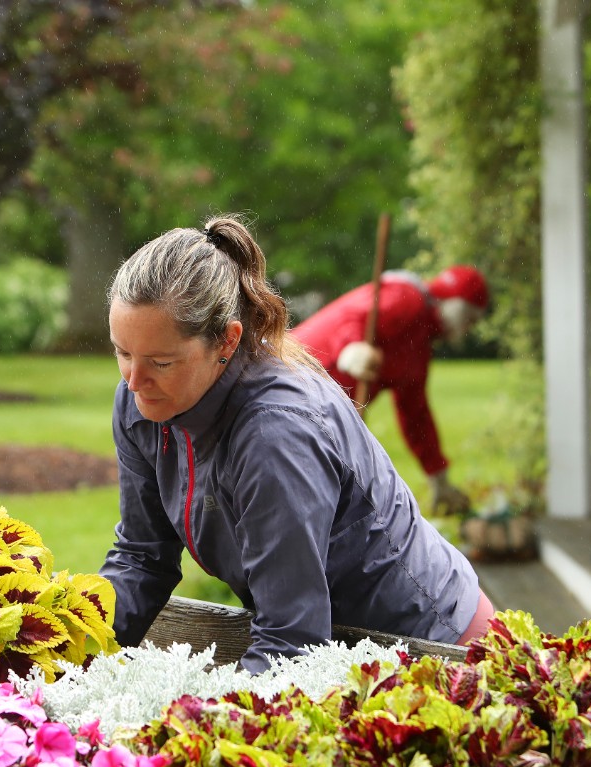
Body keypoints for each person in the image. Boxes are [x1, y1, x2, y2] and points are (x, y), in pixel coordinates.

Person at [100, 214, 493, 673]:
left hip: (433, 648)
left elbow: (290, 641)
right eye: (122, 353)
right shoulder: (142, 407)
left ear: (227, 340)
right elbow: (142, 557)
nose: (134, 381)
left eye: (161, 362)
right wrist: (70, 650)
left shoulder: (274, 435)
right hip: (331, 648)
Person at [290, 265, 490, 516]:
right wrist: (350, 347)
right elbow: (354, 317)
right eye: (469, 320)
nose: (467, 330)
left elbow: (415, 415)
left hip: (321, 410)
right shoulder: (407, 299)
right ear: (456, 307)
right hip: (296, 380)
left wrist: (438, 477)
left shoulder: (419, 344)